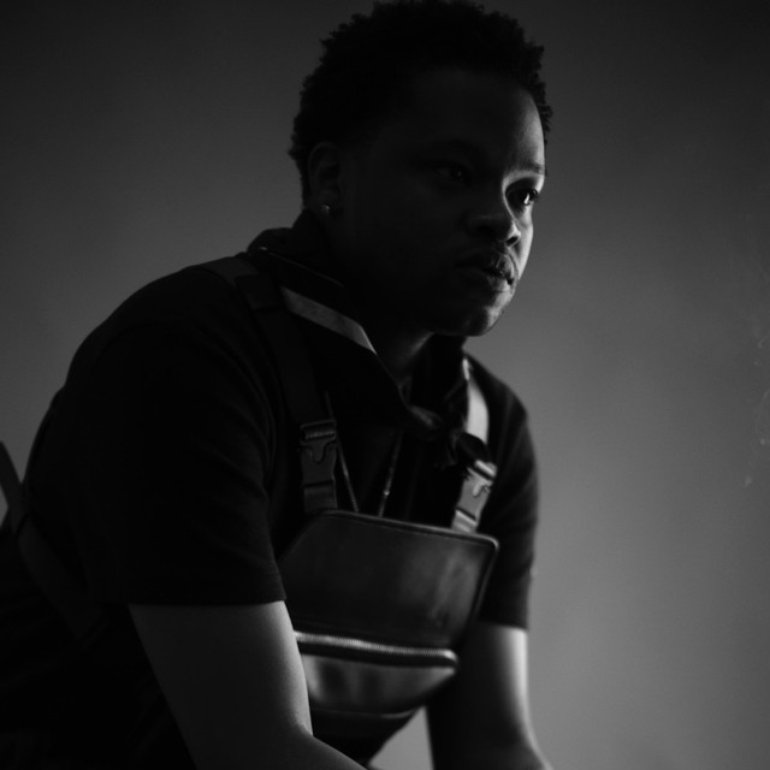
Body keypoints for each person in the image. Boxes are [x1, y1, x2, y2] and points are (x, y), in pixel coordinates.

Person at [0, 0, 554, 767]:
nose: (503, 221)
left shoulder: (491, 431)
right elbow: (255, 751)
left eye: (524, 192)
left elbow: (493, 747)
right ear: (331, 177)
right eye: (455, 173)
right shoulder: (186, 353)